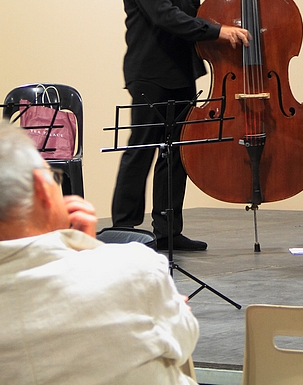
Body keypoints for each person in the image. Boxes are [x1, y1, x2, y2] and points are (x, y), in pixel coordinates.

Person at [111, 0, 256, 251]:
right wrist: (217, 31)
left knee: (177, 152)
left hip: (181, 71)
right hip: (150, 71)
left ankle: (168, 232)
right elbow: (163, 14)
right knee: (142, 149)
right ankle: (123, 229)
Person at [0, 124, 199, 384]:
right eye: (54, 177)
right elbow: (184, 342)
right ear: (41, 187)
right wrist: (89, 249)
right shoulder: (136, 268)